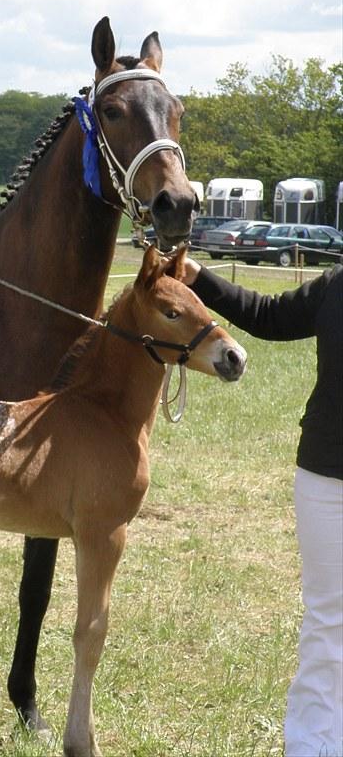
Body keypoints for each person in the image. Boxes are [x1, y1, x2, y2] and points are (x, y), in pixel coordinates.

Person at [182, 256, 342, 757]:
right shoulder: (337, 285)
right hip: (326, 476)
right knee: (329, 617)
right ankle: (313, 745)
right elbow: (271, 315)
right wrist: (196, 278)